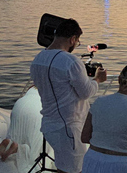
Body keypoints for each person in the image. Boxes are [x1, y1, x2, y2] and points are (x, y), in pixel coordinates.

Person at [30, 18, 106, 173]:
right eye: (77, 42)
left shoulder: (37, 59)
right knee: (73, 170)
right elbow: (86, 92)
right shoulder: (71, 61)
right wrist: (98, 80)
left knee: (64, 167)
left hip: (49, 125)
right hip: (68, 128)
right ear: (72, 39)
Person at [81, 65, 127, 173]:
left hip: (92, 159)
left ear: (119, 80)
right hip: (119, 163)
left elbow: (84, 137)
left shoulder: (99, 102)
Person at [0, 87, 44, 172]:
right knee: (38, 152)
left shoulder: (36, 85)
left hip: (20, 106)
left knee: (18, 135)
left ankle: (11, 145)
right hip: (38, 111)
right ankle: (20, 149)